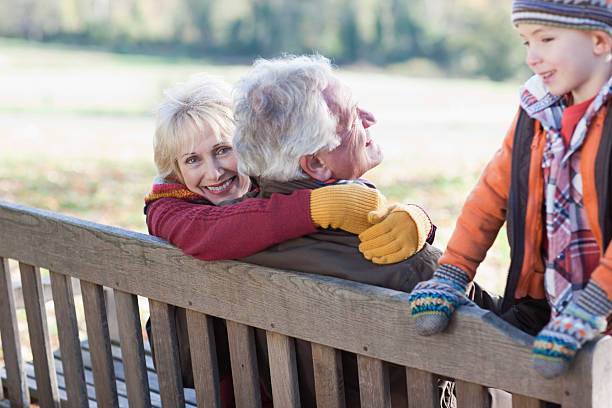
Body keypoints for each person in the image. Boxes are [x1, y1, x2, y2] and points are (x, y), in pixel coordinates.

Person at [143, 71, 436, 406]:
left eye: (223, 150)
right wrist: (316, 207)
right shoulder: (172, 212)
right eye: (192, 160)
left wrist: (418, 220)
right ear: (174, 170)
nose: (214, 172)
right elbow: (215, 228)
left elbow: (368, 213)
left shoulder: (268, 190)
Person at [408, 0, 612, 382]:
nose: (533, 57)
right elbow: (489, 196)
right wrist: (453, 272)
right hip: (545, 311)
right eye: (525, 42)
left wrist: (592, 306)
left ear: (600, 40)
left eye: (546, 39)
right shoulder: (535, 112)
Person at [230, 54, 440, 407]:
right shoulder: (404, 265)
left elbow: (188, 366)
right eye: (353, 115)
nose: (371, 118)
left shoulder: (222, 240)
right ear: (315, 163)